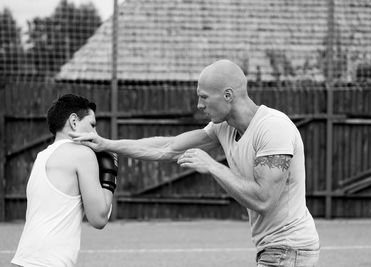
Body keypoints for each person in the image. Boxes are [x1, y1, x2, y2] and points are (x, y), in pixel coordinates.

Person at [71, 59, 320, 267]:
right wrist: (106, 144)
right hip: (274, 249)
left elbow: (264, 200)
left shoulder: (273, 128)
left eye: (203, 97)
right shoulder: (223, 127)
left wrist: (212, 166)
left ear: (228, 95)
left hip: (290, 249)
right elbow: (167, 147)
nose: (199, 105)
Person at [11, 94, 118, 267]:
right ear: (74, 121)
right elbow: (99, 218)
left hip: (22, 260)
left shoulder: (41, 157)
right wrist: (110, 176)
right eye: (92, 125)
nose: (95, 134)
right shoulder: (82, 154)